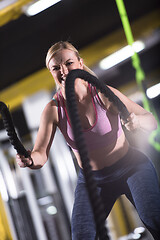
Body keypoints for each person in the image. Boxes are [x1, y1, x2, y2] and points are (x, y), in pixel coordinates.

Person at [16, 41, 160, 240]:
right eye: (56, 68)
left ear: (80, 64)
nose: (64, 71)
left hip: (131, 167)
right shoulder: (53, 110)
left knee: (154, 218)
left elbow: (151, 121)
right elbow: (40, 155)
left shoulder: (102, 94)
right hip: (93, 181)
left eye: (69, 63)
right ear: (50, 72)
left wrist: (137, 122)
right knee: (82, 236)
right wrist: (29, 160)